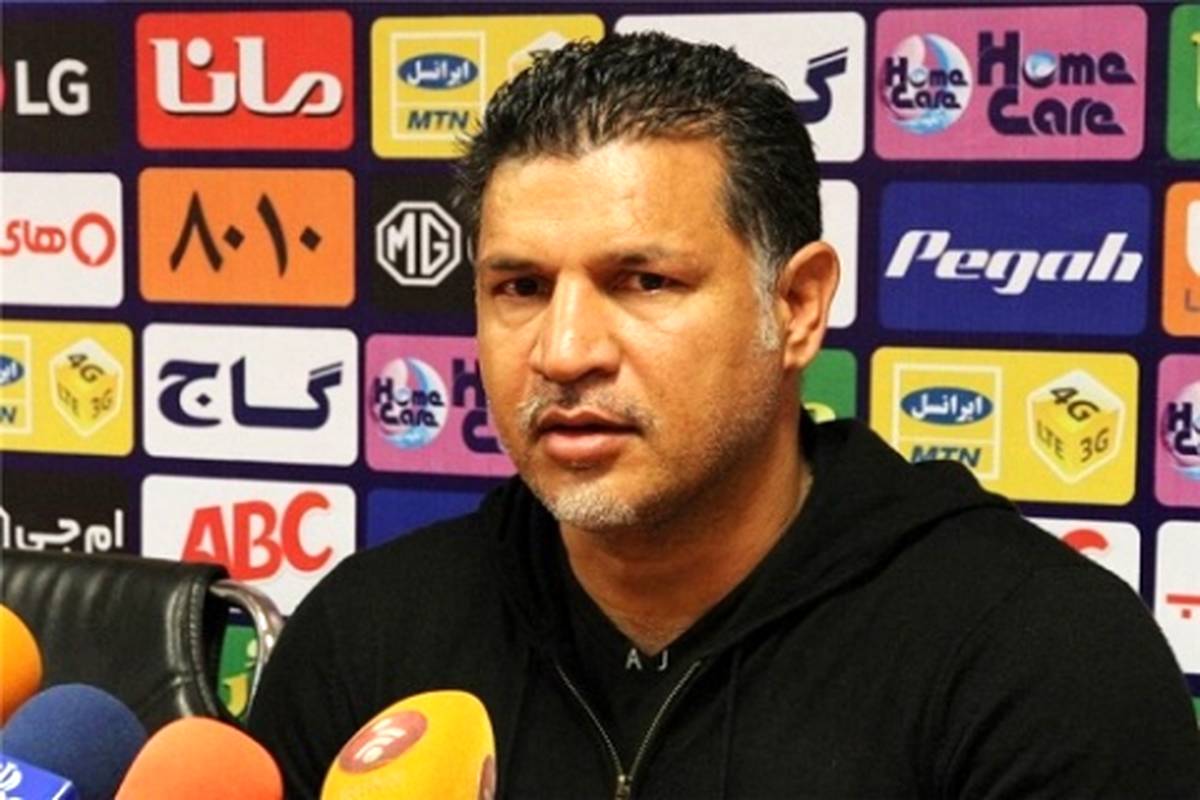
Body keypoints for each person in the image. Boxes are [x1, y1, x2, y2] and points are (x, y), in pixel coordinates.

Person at [248, 32, 1200, 798]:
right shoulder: (370, 634)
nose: (564, 350)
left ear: (796, 307)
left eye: (645, 281)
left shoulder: (1037, 657)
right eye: (521, 287)